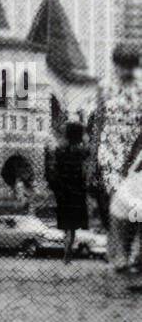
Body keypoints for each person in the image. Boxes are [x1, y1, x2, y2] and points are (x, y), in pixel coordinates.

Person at [90, 44, 142, 274]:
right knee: (116, 205)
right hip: (110, 154)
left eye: (131, 66)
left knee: (136, 206)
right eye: (122, 65)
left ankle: (136, 254)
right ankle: (120, 256)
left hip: (137, 153)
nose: (127, 71)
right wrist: (93, 160)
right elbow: (99, 123)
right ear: (115, 64)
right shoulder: (104, 88)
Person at [47, 121, 89, 264]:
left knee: (67, 226)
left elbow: (53, 171)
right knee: (72, 226)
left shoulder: (60, 150)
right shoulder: (81, 151)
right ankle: (68, 253)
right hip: (77, 191)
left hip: (63, 191)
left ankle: (67, 252)